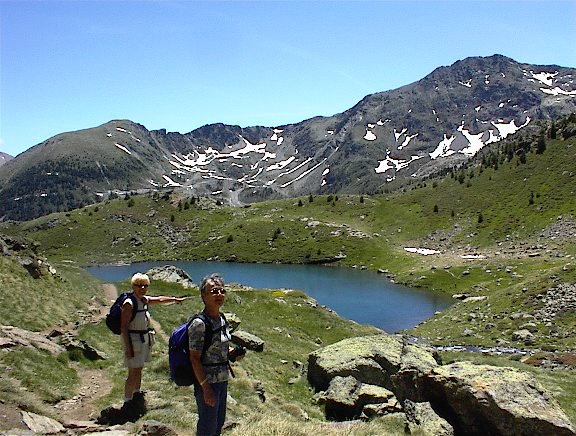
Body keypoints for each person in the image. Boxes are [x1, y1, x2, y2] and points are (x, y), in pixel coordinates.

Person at [121, 272, 186, 411]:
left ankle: (136, 393)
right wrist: (128, 347)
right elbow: (123, 327)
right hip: (134, 341)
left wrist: (174, 299)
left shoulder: (143, 300)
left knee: (139, 369)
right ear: (133, 286)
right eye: (139, 285)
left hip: (143, 340)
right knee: (133, 372)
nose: (143, 288)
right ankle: (127, 402)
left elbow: (160, 300)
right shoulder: (129, 303)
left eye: (145, 286)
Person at [188, 273, 243, 436]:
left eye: (221, 291)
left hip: (222, 380)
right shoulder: (199, 323)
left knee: (217, 425)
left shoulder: (222, 319)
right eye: (214, 291)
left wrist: (232, 353)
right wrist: (205, 388)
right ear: (204, 296)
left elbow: (220, 347)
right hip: (208, 383)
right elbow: (194, 358)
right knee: (207, 427)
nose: (219, 294)